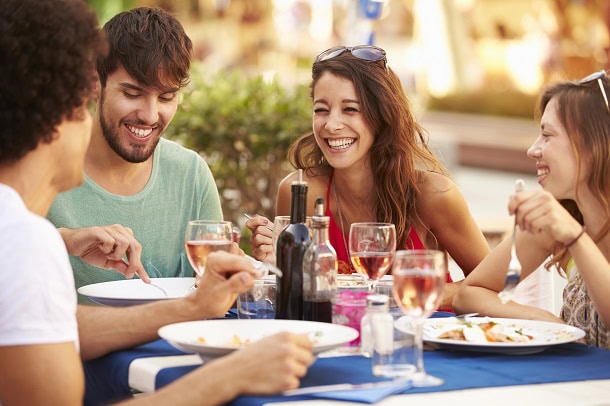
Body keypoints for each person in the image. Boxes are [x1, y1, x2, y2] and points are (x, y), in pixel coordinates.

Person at [0, 1, 314, 404]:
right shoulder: (24, 239)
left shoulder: (23, 234)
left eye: (166, 96)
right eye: (79, 107)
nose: (149, 114)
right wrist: (231, 375)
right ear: (52, 122)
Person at [247, 45, 490, 310]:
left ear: (382, 116)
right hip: (336, 345)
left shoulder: (433, 195)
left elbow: (490, 285)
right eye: (321, 110)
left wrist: (400, 295)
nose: (331, 124)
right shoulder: (300, 191)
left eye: (350, 109)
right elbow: (295, 300)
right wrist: (274, 267)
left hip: (425, 342)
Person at [47, 6, 224, 300]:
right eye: (132, 94)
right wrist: (64, 240)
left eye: (166, 97)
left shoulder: (190, 173)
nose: (150, 115)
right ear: (95, 83)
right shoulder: (42, 164)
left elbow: (213, 286)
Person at [453, 70, 610, 349]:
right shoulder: (562, 215)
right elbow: (470, 294)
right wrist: (545, 320)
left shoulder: (565, 225)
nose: (533, 150)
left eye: (547, 136)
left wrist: (575, 237)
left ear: (594, 146)